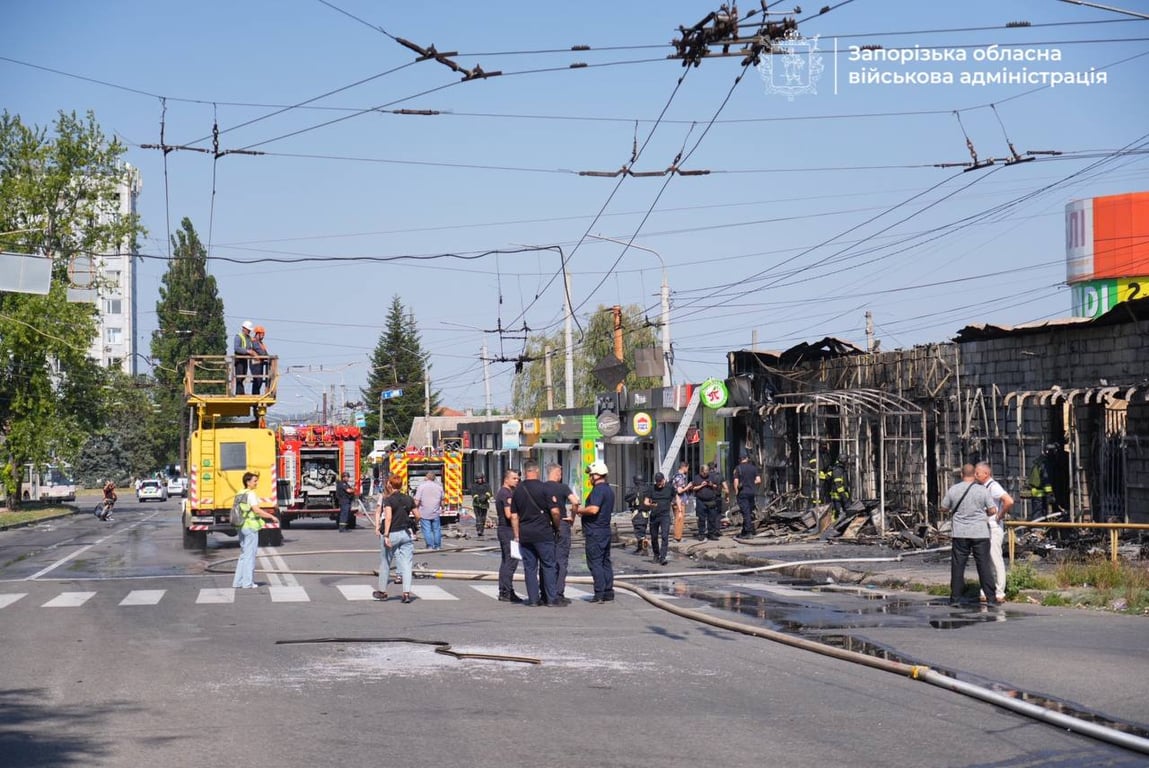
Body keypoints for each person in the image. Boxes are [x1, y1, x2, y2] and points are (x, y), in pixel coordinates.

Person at [940, 463, 999, 606]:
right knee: (983, 565)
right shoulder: (982, 490)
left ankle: (955, 598)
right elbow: (992, 510)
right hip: (980, 533)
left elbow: (943, 507)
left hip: (960, 533)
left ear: (961, 474)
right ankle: (991, 598)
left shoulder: (954, 489)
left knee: (958, 566)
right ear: (974, 475)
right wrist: (983, 512)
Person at [510, 461, 562, 607]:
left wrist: (517, 535)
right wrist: (557, 526)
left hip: (526, 534)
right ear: (537, 471)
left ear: (525, 471)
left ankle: (533, 600)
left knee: (530, 568)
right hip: (544, 533)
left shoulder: (518, 490)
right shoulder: (545, 488)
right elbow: (555, 512)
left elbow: (514, 516)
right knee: (548, 565)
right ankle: (551, 599)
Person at [577, 460, 616, 603]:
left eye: (591, 475)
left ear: (598, 475)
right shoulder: (608, 490)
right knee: (605, 561)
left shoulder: (598, 490)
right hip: (605, 530)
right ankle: (608, 591)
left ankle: (599, 593)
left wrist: (580, 510)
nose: (590, 478)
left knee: (595, 562)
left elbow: (594, 509)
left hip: (595, 531)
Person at [232, 471, 279, 589]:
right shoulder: (251, 494)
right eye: (254, 481)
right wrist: (271, 516)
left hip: (241, 526)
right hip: (250, 527)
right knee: (250, 555)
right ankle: (248, 583)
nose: (256, 483)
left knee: (243, 555)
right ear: (248, 482)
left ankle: (238, 582)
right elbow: (256, 510)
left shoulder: (239, 493)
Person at [976, 461, 1014, 603]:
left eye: (978, 473)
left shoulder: (993, 486)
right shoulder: (982, 487)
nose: (975, 475)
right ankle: (986, 589)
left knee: (995, 558)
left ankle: (999, 591)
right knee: (985, 560)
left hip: (993, 527)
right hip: (984, 527)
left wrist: (1000, 515)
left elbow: (1008, 501)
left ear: (986, 474)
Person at [375, 475, 417, 603]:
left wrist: (386, 535)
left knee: (386, 562)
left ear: (390, 485)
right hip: (406, 533)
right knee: (407, 564)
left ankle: (382, 591)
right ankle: (406, 593)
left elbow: (388, 518)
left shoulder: (389, 500)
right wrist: (414, 525)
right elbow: (418, 515)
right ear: (401, 485)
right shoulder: (409, 499)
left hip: (392, 533)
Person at [545, 463, 579, 605]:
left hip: (546, 526)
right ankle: (559, 592)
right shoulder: (563, 488)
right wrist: (572, 517)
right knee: (561, 560)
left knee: (547, 561)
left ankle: (546, 592)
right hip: (562, 523)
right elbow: (575, 502)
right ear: (557, 473)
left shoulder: (543, 488)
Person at [495, 468, 523, 603]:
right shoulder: (506, 494)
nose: (517, 481)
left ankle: (505, 590)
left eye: (518, 479)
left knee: (506, 561)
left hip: (504, 530)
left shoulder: (505, 492)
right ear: (506, 479)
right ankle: (506, 591)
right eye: (514, 478)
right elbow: (509, 514)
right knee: (511, 562)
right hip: (508, 531)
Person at [644, 472, 676, 566]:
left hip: (665, 515)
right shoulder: (651, 489)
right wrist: (651, 505)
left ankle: (663, 557)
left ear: (663, 480)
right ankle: (656, 555)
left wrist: (677, 508)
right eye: (657, 483)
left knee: (665, 536)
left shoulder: (669, 487)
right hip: (654, 515)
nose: (659, 484)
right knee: (654, 536)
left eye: (660, 482)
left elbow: (676, 497)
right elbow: (645, 501)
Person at [733, 452, 762, 539]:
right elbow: (759, 480)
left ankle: (748, 532)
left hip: (743, 493)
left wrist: (736, 492)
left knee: (745, 513)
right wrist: (751, 483)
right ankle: (744, 531)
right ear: (747, 459)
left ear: (740, 460)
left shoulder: (738, 468)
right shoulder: (753, 468)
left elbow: (736, 482)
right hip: (751, 493)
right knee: (749, 512)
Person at [413, 471, 445, 550]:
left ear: (426, 477)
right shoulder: (439, 487)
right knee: (436, 530)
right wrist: (443, 507)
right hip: (435, 512)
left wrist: (414, 508)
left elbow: (417, 501)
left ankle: (430, 546)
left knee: (427, 530)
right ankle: (437, 546)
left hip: (424, 512)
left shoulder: (421, 487)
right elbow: (442, 501)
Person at [692, 464, 721, 541]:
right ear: (701, 471)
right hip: (701, 500)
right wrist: (701, 485)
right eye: (704, 472)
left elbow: (716, 486)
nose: (706, 474)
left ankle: (711, 533)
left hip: (711, 500)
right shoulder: (697, 478)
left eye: (707, 472)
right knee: (701, 518)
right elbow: (693, 488)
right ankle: (701, 534)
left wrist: (711, 484)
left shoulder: (711, 477)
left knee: (712, 517)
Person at [625, 474, 650, 554]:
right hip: (646, 514)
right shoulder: (648, 489)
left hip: (637, 513)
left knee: (639, 532)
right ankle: (640, 548)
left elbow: (626, 497)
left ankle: (643, 549)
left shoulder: (635, 490)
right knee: (642, 530)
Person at [233, 320, 257, 395]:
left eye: (250, 330)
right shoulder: (238, 337)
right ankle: (239, 393)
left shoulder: (248, 338)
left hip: (245, 360)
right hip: (239, 360)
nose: (249, 331)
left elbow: (250, 346)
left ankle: (241, 393)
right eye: (248, 330)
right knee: (239, 378)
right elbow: (236, 348)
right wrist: (247, 351)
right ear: (244, 328)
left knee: (243, 376)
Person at [671, 461, 691, 542]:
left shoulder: (675, 475)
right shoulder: (680, 477)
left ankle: (677, 536)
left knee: (677, 518)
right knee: (679, 519)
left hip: (674, 500)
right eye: (687, 468)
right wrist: (688, 486)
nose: (688, 469)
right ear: (684, 467)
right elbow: (679, 491)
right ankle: (677, 537)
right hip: (680, 501)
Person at [250, 325, 269, 395]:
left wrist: (267, 356)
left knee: (259, 381)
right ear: (257, 334)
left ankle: (256, 395)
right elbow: (261, 352)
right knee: (257, 380)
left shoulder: (260, 343)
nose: (263, 336)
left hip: (259, 364)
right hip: (255, 364)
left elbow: (265, 353)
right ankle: (255, 396)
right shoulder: (254, 342)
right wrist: (266, 356)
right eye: (262, 334)